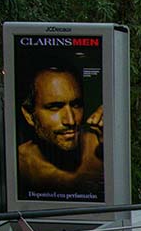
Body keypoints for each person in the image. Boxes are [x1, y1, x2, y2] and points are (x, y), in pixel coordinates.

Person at [16, 65, 104, 201]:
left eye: (76, 105)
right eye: (55, 107)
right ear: (29, 115)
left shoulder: (100, 147)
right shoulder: (19, 164)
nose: (70, 120)